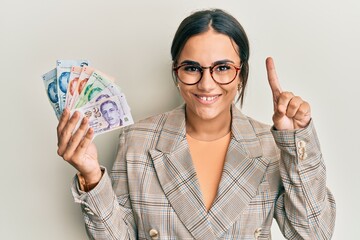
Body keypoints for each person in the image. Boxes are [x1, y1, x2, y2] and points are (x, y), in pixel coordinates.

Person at [56, 9, 336, 239]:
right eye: (192, 68)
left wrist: (294, 139)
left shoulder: (270, 146)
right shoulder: (137, 141)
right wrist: (91, 176)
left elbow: (315, 234)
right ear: (176, 72)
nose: (206, 83)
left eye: (222, 68)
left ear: (241, 74)